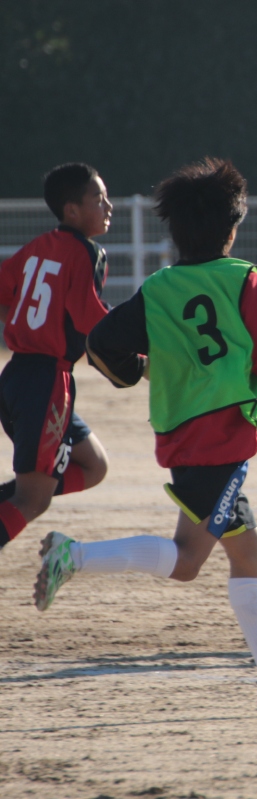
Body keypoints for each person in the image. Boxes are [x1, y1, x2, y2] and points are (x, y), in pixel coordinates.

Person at [33, 157, 257, 715]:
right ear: (231, 229)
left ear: (176, 231)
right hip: (220, 439)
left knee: (250, 553)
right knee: (188, 561)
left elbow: (101, 343)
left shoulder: (159, 288)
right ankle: (75, 556)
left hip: (183, 435)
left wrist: (139, 370)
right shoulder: (245, 280)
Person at [0, 163, 113, 553]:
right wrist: (139, 345)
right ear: (72, 210)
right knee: (32, 500)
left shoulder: (37, 246)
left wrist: (27, 322)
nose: (108, 206)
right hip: (46, 383)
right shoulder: (86, 252)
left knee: (94, 465)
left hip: (17, 377)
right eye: (99, 198)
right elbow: (89, 320)